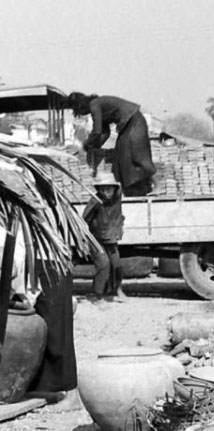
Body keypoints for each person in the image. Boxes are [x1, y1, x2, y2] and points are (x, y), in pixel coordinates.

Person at [67, 92, 155, 195]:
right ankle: (133, 189)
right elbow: (105, 133)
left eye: (79, 110)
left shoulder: (94, 105)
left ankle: (155, 184)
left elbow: (97, 131)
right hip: (128, 125)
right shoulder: (98, 105)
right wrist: (94, 148)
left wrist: (87, 145)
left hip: (135, 122)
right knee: (120, 155)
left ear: (80, 105)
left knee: (136, 155)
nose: (82, 113)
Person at [82, 172, 127, 303]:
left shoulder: (117, 198)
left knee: (117, 265)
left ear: (114, 189)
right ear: (99, 190)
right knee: (104, 264)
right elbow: (84, 220)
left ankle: (118, 291)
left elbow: (122, 184)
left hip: (111, 238)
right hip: (96, 239)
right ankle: (97, 295)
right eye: (103, 189)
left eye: (109, 189)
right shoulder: (95, 201)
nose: (106, 192)